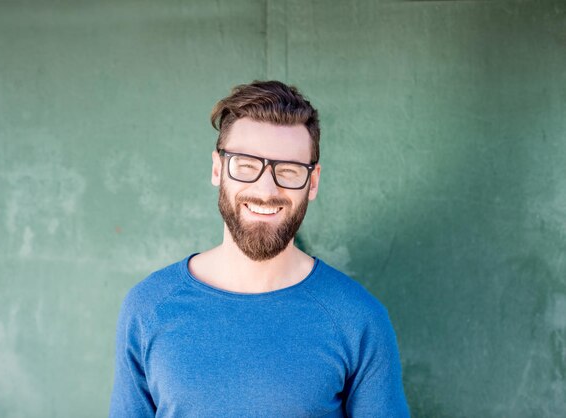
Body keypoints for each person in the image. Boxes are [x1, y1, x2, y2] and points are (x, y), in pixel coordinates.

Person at [109, 80, 409, 417]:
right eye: (247, 165)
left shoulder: (358, 319)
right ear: (217, 168)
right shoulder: (148, 307)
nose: (266, 190)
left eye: (289, 170)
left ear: (313, 182)